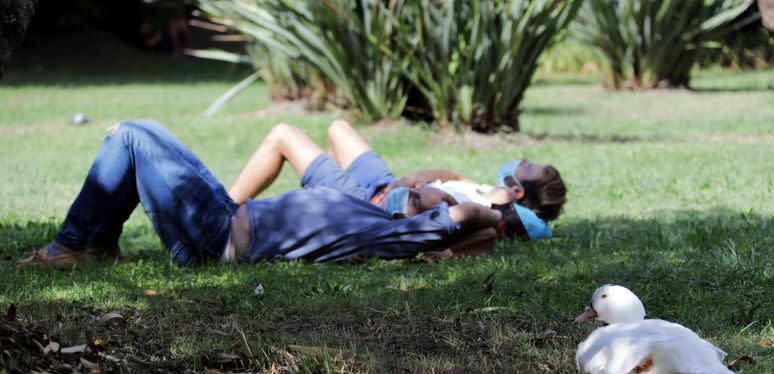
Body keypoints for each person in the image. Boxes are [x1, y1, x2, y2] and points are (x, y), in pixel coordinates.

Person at [16, 120, 501, 268]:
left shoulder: (384, 236)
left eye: (420, 199)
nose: (413, 191)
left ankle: (73, 246)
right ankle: (94, 243)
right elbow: (288, 138)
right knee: (136, 129)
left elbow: (472, 219)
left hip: (218, 236)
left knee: (130, 140)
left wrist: (481, 214)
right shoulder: (360, 202)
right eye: (417, 188)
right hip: (223, 215)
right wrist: (426, 193)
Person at [226, 119, 567, 241]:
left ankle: (223, 214)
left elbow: (437, 225)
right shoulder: (485, 192)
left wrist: (418, 192)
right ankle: (325, 187)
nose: (519, 160)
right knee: (338, 129)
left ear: (517, 190)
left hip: (368, 207)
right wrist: (416, 177)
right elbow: (453, 176)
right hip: (385, 186)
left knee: (283, 135)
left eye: (525, 165)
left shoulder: (484, 215)